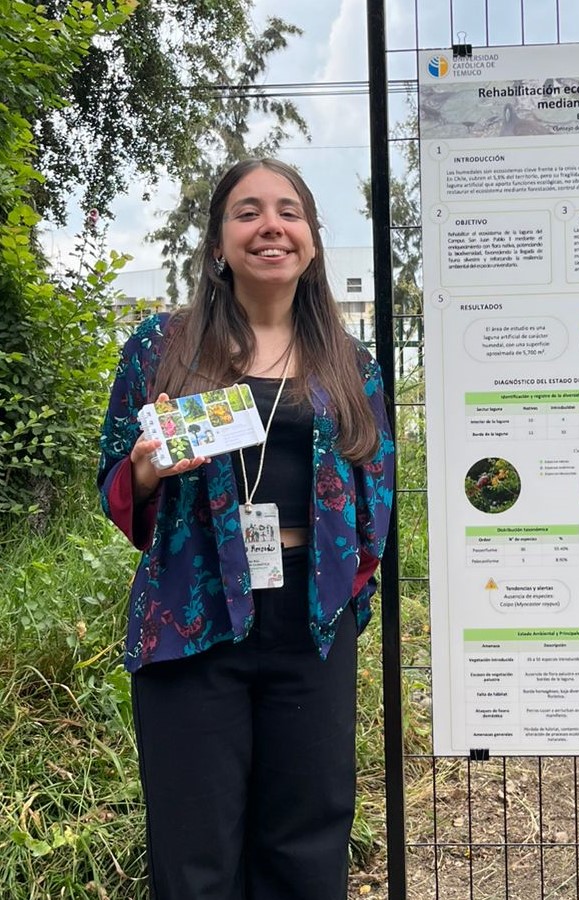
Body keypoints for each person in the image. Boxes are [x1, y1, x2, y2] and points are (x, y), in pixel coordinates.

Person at [97, 158, 395, 899]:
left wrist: (348, 586)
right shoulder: (162, 347)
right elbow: (113, 480)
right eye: (248, 211)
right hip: (192, 614)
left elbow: (376, 482)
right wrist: (144, 469)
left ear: (312, 241)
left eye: (290, 212)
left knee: (307, 837)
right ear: (218, 243)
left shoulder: (348, 361)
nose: (271, 226)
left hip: (311, 622)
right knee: (195, 844)